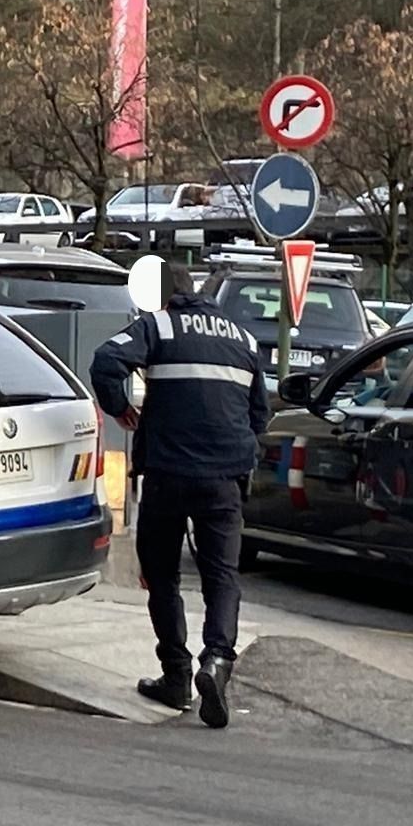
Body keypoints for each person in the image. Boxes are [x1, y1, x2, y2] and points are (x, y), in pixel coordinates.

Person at [90, 261, 268, 729]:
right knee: (222, 576)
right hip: (224, 480)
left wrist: (122, 409)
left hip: (169, 474)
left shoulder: (158, 325)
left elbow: (105, 361)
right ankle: (217, 661)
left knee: (162, 575)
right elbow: (259, 414)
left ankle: (176, 675)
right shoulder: (243, 339)